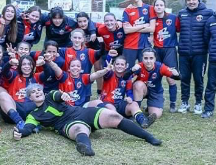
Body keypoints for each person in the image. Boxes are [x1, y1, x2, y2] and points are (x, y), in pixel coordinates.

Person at [13, 84, 162, 156]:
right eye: (33, 92)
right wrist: (20, 132)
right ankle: (86, 148)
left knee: (114, 116)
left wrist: (63, 95)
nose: (37, 92)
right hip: (66, 125)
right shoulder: (33, 114)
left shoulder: (50, 95)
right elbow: (28, 127)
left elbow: (59, 95)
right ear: (30, 98)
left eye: (38, 90)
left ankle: (148, 137)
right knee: (80, 129)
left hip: (82, 112)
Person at [87, 50, 156, 128]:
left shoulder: (127, 77)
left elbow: (129, 91)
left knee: (134, 104)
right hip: (107, 104)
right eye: (117, 64)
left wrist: (130, 98)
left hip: (119, 104)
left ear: (126, 66)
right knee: (111, 108)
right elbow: (106, 65)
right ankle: (123, 122)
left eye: (122, 64)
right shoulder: (109, 74)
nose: (119, 66)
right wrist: (109, 56)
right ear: (114, 65)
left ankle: (143, 121)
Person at [177, 0, 213, 114]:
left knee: (198, 79)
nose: (191, 2)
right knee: (184, 78)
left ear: (198, 0)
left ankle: (198, 103)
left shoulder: (208, 13)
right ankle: (184, 102)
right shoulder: (181, 13)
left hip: (200, 53)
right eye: (189, 0)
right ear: (186, 1)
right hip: (184, 53)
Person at [0, 55, 49, 129]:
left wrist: (44, 64)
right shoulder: (14, 75)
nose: (27, 66)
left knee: (46, 99)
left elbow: (49, 73)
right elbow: (4, 72)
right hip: (15, 109)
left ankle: (34, 123)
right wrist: (10, 63)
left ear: (33, 66)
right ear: (20, 66)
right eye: (24, 64)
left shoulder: (37, 76)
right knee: (2, 95)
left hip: (32, 110)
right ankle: (20, 122)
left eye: (29, 64)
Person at [128, 48, 180, 118]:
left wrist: (177, 75)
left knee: (156, 115)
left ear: (155, 59)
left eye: (151, 58)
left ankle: (152, 105)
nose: (148, 61)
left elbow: (177, 78)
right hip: (143, 90)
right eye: (146, 58)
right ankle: (137, 110)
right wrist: (131, 70)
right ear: (142, 58)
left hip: (155, 92)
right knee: (138, 84)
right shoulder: (138, 67)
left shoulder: (160, 67)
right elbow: (125, 79)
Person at [59, 29, 104, 102]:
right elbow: (50, 50)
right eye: (75, 37)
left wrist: (102, 43)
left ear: (83, 39)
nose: (77, 40)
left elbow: (102, 52)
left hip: (85, 88)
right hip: (68, 87)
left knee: (84, 109)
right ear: (71, 38)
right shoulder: (64, 51)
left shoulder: (89, 52)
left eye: (79, 38)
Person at [153, 0, 180, 113]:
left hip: (169, 50)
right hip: (156, 50)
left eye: (161, 5)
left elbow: (180, 29)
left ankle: (173, 104)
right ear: (154, 7)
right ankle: (154, 101)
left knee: (170, 78)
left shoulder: (173, 18)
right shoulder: (151, 19)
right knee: (154, 78)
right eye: (157, 5)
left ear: (165, 6)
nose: (159, 7)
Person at [122, 0, 156, 69]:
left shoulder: (149, 8)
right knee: (127, 71)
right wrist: (143, 25)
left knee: (146, 71)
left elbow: (152, 28)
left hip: (145, 46)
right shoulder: (127, 10)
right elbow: (126, 30)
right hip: (129, 45)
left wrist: (133, 28)